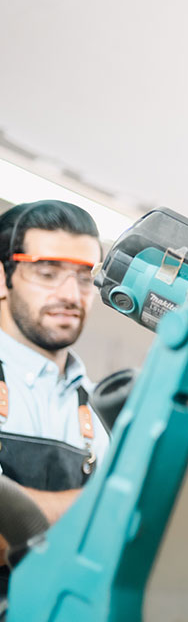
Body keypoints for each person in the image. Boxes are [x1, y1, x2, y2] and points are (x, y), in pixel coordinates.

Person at [0, 200, 109, 527]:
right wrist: (104, 504)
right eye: (48, 273)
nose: (71, 295)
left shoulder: (102, 411)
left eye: (85, 278)